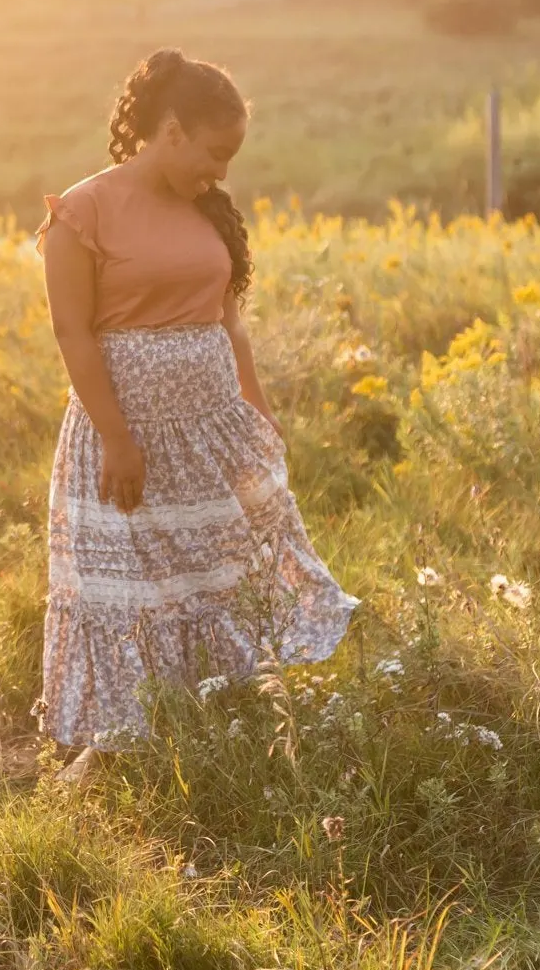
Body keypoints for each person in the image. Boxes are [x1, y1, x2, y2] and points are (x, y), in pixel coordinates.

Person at [37, 47, 356, 782]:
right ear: (170, 130)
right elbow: (71, 332)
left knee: (216, 576)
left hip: (211, 431)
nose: (220, 172)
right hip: (127, 438)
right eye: (213, 153)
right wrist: (118, 438)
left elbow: (230, 326)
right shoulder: (81, 211)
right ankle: (112, 752)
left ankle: (217, 724)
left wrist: (259, 417)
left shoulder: (206, 209)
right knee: (133, 587)